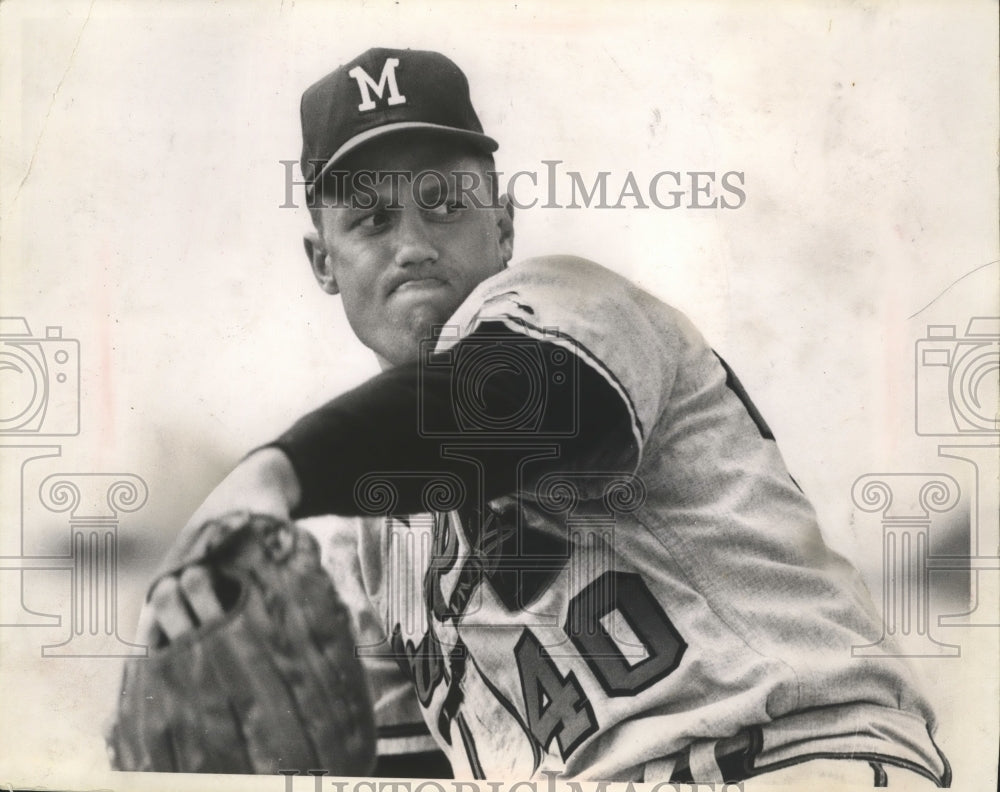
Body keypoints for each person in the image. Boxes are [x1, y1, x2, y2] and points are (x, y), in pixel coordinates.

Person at [142, 47, 951, 786]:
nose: (414, 243)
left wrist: (272, 471)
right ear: (324, 261)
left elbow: (506, 401)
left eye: (444, 203)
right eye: (372, 220)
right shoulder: (380, 549)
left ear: (503, 224)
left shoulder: (571, 302)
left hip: (802, 756)